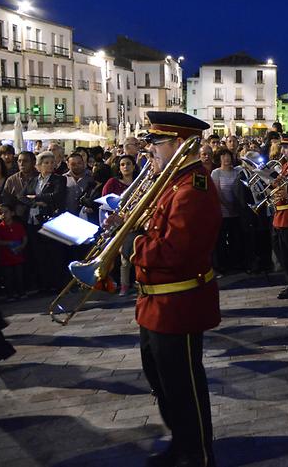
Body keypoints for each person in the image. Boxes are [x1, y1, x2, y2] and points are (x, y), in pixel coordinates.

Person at [121, 111, 221, 467]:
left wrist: (131, 242)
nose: (150, 150)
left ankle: (198, 454)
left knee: (184, 385)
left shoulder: (193, 188)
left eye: (156, 143)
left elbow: (176, 251)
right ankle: (181, 442)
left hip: (179, 302)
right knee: (162, 381)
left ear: (179, 144)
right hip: (156, 301)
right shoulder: (171, 182)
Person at [27, 151, 67, 290]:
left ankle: (56, 283)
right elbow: (22, 196)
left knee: (53, 253)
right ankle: (44, 284)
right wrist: (34, 202)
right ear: (38, 166)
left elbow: (57, 196)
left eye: (51, 162)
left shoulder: (59, 179)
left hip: (50, 219)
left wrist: (37, 198)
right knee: (39, 254)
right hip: (34, 220)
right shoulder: (33, 180)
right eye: (46, 163)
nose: (50, 165)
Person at [271, 135, 288, 300]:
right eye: (282, 147)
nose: (283, 151)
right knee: (281, 251)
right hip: (279, 213)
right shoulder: (285, 165)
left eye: (287, 147)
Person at [211, 149, 243, 274]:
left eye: (228, 156)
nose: (226, 158)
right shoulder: (216, 173)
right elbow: (217, 192)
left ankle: (235, 262)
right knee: (222, 240)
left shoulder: (237, 172)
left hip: (236, 211)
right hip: (223, 212)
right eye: (223, 156)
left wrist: (235, 205)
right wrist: (227, 205)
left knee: (236, 238)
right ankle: (223, 264)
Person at [0, 204, 27, 300]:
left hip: (18, 256)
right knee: (8, 277)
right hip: (6, 257)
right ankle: (10, 294)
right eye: (0, 213)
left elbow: (25, 238)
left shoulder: (18, 225)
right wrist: (9, 243)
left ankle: (21, 292)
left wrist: (22, 246)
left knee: (19, 276)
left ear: (12, 213)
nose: (3, 215)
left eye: (6, 212)